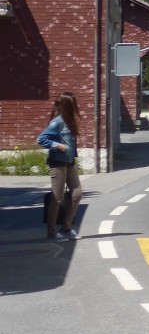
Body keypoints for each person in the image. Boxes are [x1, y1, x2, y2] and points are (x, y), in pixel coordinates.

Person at [37, 92, 83, 241]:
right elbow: (41, 139)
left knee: (77, 194)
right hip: (57, 163)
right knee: (57, 198)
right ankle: (51, 233)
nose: (76, 106)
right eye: (73, 104)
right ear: (67, 106)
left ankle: (66, 229)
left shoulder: (69, 121)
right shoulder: (58, 122)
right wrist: (58, 146)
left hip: (69, 163)